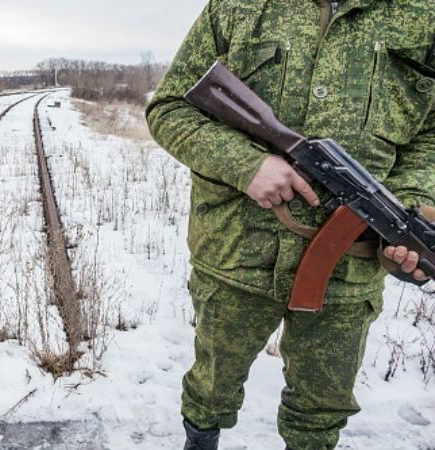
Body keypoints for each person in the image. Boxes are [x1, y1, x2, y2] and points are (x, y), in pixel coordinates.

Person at [146, 1, 435, 449]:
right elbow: (170, 108)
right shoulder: (237, 6)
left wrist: (412, 206)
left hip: (348, 273)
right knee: (211, 386)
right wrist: (247, 165)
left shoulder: (424, 14)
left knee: (321, 410)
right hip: (234, 253)